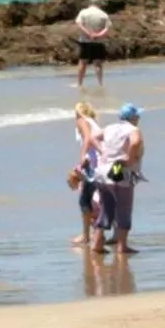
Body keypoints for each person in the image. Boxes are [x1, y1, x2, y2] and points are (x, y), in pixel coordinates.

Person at [92, 103, 145, 255]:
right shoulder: (133, 129)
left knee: (106, 208)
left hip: (102, 171)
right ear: (133, 118)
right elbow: (135, 142)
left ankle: (97, 243)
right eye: (137, 116)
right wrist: (128, 159)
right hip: (118, 168)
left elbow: (93, 137)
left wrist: (102, 150)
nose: (139, 118)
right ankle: (122, 246)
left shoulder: (110, 127)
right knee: (124, 206)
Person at [68, 101, 102, 247]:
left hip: (91, 163)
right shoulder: (93, 121)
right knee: (99, 198)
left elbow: (87, 138)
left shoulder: (81, 121)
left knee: (85, 199)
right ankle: (96, 232)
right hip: (100, 162)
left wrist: (82, 158)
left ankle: (87, 236)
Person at [75, 0, 110, 87]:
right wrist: (97, 35)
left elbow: (79, 24)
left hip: (85, 41)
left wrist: (88, 33)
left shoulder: (83, 12)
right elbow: (107, 28)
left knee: (83, 63)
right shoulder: (103, 14)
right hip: (98, 41)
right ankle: (100, 83)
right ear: (99, 4)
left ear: (89, 3)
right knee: (98, 64)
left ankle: (80, 83)